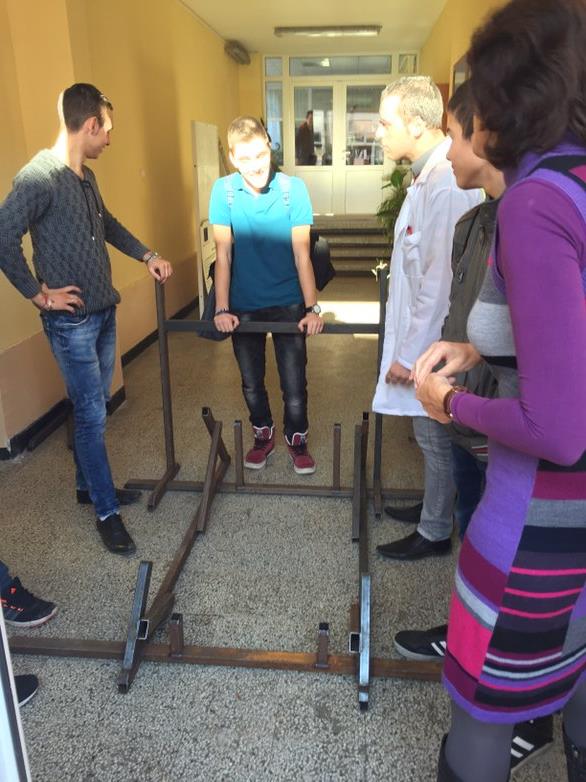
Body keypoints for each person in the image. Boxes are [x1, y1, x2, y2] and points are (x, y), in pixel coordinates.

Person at [412, 2, 586, 780]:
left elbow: (558, 427)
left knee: (482, 716)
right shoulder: (578, 181)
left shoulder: (533, 203)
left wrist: (450, 402)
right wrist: (484, 349)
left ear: (500, 106)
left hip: (538, 528)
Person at [393, 81, 554, 775]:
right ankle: (471, 635)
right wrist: (465, 354)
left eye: (455, 135)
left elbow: (556, 412)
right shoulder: (485, 218)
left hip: (510, 439)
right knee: (473, 529)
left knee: (521, 606)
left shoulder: (539, 212)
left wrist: (463, 405)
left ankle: (529, 711)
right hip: (475, 404)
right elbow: (482, 316)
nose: (448, 148)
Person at [0, 84, 173, 556]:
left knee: (91, 406)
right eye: (107, 130)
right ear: (91, 125)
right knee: (94, 414)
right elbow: (3, 236)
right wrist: (40, 296)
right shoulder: (38, 178)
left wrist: (147, 255)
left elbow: (107, 224)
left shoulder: (86, 177)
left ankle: (86, 486)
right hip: (72, 323)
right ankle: (105, 511)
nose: (110, 139)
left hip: (102, 310)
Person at [372, 76, 482, 561]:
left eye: (385, 123)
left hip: (438, 342)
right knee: (428, 433)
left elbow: (439, 285)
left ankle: (435, 531)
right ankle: (433, 508)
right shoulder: (425, 178)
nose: (378, 133)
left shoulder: (447, 184)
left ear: (416, 124)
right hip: (429, 339)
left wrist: (409, 355)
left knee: (435, 434)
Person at [209, 116, 323, 474]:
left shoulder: (293, 189)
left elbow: (302, 254)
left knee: (294, 383)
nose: (256, 166)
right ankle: (263, 436)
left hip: (288, 301)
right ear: (232, 158)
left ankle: (297, 440)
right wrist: (222, 308)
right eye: (245, 159)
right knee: (251, 383)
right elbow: (223, 255)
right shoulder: (224, 191)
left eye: (261, 155)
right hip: (243, 304)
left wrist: (312, 308)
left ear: (269, 146)